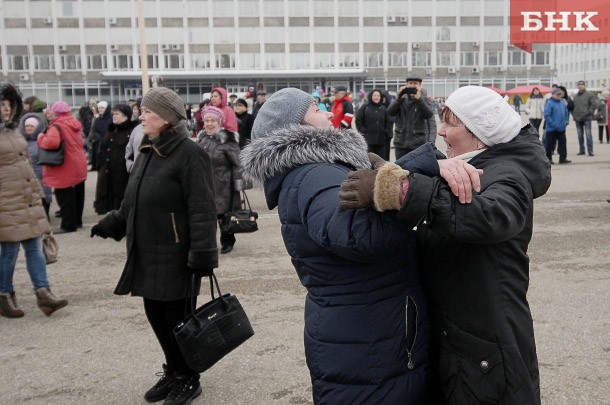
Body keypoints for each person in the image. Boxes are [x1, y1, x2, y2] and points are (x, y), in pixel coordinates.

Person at [339, 85, 551, 405]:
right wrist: (388, 170)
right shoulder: (471, 161)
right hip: (460, 338)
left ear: (480, 133)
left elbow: (488, 216)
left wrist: (399, 190)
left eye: (451, 124)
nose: (441, 133)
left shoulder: (509, 173)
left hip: (487, 347)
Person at [239, 88, 432, 404]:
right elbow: (359, 236)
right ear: (294, 126)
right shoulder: (316, 171)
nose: (329, 113)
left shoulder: (318, 168)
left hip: (359, 327)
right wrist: (411, 176)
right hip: (367, 334)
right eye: (316, 109)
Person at [90, 87, 218, 405]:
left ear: (166, 118)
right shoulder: (148, 149)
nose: (141, 115)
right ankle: (174, 370)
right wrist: (111, 223)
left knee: (179, 321)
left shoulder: (190, 154)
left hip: (176, 255)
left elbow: (203, 209)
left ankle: (189, 378)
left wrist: (202, 255)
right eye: (142, 110)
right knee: (156, 316)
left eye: (147, 111)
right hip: (147, 251)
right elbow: (133, 201)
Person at [0, 83, 68, 319]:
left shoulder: (13, 131)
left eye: (9, 104)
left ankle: (44, 293)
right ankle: (4, 295)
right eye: (2, 104)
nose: (6, 109)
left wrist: (39, 194)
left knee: (35, 248)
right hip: (5, 202)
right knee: (9, 251)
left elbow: (26, 166)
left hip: (26, 199)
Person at [37, 101, 88, 234]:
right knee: (77, 193)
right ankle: (77, 221)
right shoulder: (73, 122)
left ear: (55, 112)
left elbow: (52, 143)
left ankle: (68, 225)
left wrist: (41, 138)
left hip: (65, 164)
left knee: (64, 195)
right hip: (78, 162)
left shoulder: (56, 125)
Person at [196, 106, 242, 254]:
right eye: (207, 120)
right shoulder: (201, 139)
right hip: (204, 184)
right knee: (207, 216)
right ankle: (209, 243)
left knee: (224, 215)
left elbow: (237, 164)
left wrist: (237, 184)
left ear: (220, 122)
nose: (209, 123)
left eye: (213, 121)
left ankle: (228, 241)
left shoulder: (227, 140)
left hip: (223, 184)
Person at [94, 104, 139, 214]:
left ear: (126, 116)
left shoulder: (131, 131)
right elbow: (103, 149)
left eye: (117, 114)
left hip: (122, 173)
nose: (114, 116)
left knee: (121, 202)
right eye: (113, 114)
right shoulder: (111, 129)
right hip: (107, 172)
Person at [387, 77, 434, 159]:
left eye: (415, 84)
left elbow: (429, 114)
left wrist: (420, 100)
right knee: (400, 169)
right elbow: (390, 112)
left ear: (420, 86)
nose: (412, 86)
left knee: (417, 169)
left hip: (418, 143)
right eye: (410, 83)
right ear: (406, 85)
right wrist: (399, 99)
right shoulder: (401, 97)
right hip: (401, 143)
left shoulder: (424, 98)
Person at [19, 113, 53, 219]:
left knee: (44, 194)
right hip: (27, 174)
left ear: (37, 127)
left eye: (31, 126)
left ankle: (45, 216)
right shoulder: (22, 141)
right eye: (27, 126)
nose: (29, 128)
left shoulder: (41, 139)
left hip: (41, 173)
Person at [355, 88, 391, 158]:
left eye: (378, 96)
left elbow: (388, 121)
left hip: (381, 140)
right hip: (368, 140)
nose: (376, 97)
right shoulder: (365, 107)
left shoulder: (383, 108)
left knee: (381, 160)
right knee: (369, 160)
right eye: (374, 95)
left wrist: (386, 131)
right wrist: (363, 131)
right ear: (371, 96)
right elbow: (358, 120)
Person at [545, 87, 571, 164]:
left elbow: (566, 113)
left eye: (560, 94)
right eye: (557, 94)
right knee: (550, 145)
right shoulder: (549, 103)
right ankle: (548, 159)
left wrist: (566, 122)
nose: (559, 96)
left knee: (562, 144)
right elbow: (547, 115)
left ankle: (563, 158)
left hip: (561, 128)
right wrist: (553, 124)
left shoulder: (562, 103)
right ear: (553, 95)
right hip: (551, 128)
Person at [572, 80, 597, 156]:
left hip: (587, 117)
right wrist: (574, 114)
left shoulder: (590, 94)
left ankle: (590, 150)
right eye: (579, 85)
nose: (580, 86)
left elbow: (593, 105)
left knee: (588, 134)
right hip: (578, 118)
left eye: (582, 85)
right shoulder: (575, 96)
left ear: (584, 86)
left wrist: (589, 112)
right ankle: (581, 150)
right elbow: (573, 106)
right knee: (580, 135)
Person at [88, 100, 112, 170]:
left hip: (108, 142)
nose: (100, 110)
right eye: (99, 108)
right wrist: (99, 138)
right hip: (98, 142)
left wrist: (105, 138)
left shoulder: (111, 118)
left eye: (103, 108)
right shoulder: (97, 119)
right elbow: (94, 130)